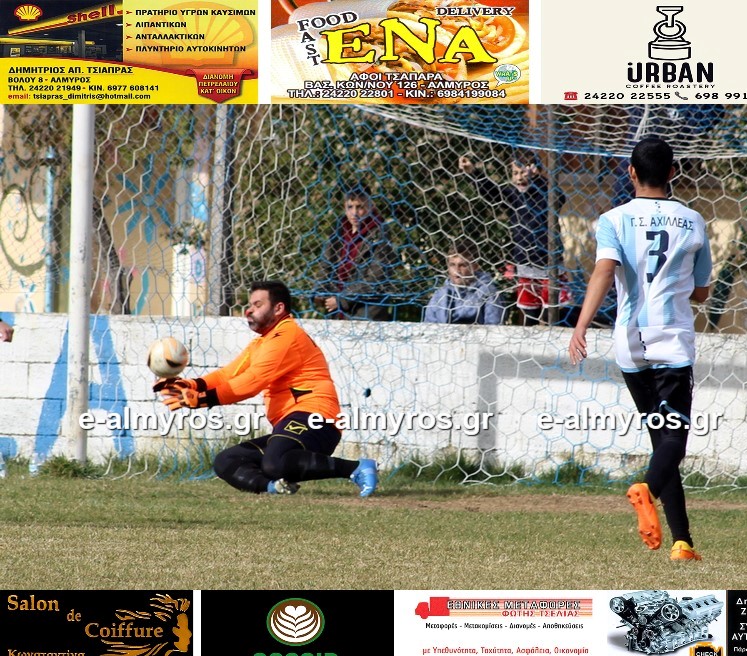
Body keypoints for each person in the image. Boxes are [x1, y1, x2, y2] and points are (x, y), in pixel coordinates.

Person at [568, 136, 711, 562]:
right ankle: (646, 488)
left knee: (660, 440)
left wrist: (581, 325)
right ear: (673, 172)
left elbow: (603, 271)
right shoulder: (693, 220)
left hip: (629, 343)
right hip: (672, 340)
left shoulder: (612, 219)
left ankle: (682, 542)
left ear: (631, 172)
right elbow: (701, 292)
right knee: (676, 439)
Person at [154, 280, 378, 498]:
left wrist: (202, 399)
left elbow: (253, 381)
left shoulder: (287, 335)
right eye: (249, 305)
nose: (249, 310)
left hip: (316, 419)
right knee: (226, 461)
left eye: (258, 305)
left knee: (274, 462)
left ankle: (355, 467)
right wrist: (191, 385)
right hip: (292, 423)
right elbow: (228, 374)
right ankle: (275, 488)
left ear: (278, 308)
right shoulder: (263, 342)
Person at [458, 152, 572, 325]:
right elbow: (491, 192)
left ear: (533, 171)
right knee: (528, 315)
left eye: (523, 172)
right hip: (525, 266)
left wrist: (539, 179)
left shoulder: (544, 194)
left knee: (554, 316)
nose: (519, 178)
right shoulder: (513, 196)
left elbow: (559, 198)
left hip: (549, 267)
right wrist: (473, 172)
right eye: (515, 173)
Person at [312, 186, 396, 321]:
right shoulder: (339, 230)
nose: (355, 213)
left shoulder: (379, 233)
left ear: (370, 206)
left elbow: (377, 276)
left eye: (360, 207)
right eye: (350, 207)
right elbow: (326, 263)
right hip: (336, 308)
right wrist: (319, 291)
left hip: (366, 311)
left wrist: (342, 300)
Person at [424, 240, 505, 324]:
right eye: (452, 265)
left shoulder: (488, 293)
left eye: (463, 265)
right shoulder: (440, 294)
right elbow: (428, 326)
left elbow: (493, 326)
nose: (457, 270)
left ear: (475, 266)